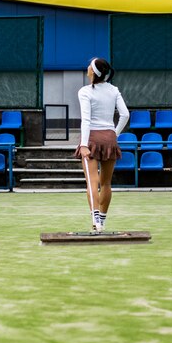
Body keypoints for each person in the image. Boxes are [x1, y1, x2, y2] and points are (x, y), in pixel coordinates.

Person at [74, 57, 130, 232]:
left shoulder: (85, 91)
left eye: (89, 66)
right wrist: (115, 133)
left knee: (92, 181)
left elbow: (86, 119)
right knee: (106, 183)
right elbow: (125, 115)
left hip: (91, 138)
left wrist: (83, 144)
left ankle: (95, 219)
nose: (87, 68)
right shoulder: (114, 90)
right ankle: (102, 222)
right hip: (109, 138)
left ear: (93, 72)